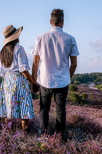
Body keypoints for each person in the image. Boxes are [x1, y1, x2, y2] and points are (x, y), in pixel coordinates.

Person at [32, 9, 79, 141]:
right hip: (62, 81)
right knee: (61, 110)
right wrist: (67, 77)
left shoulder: (40, 38)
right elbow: (74, 64)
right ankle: (60, 137)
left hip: (45, 80)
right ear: (62, 21)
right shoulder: (70, 39)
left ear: (50, 21)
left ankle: (42, 135)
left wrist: (34, 82)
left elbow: (35, 63)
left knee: (43, 109)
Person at [0, 25, 36, 131]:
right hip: (18, 79)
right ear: (15, 36)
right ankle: (25, 134)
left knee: (8, 110)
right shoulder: (19, 49)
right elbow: (23, 69)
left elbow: (2, 71)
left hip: (6, 81)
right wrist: (33, 82)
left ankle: (7, 134)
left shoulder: (2, 52)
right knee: (24, 109)